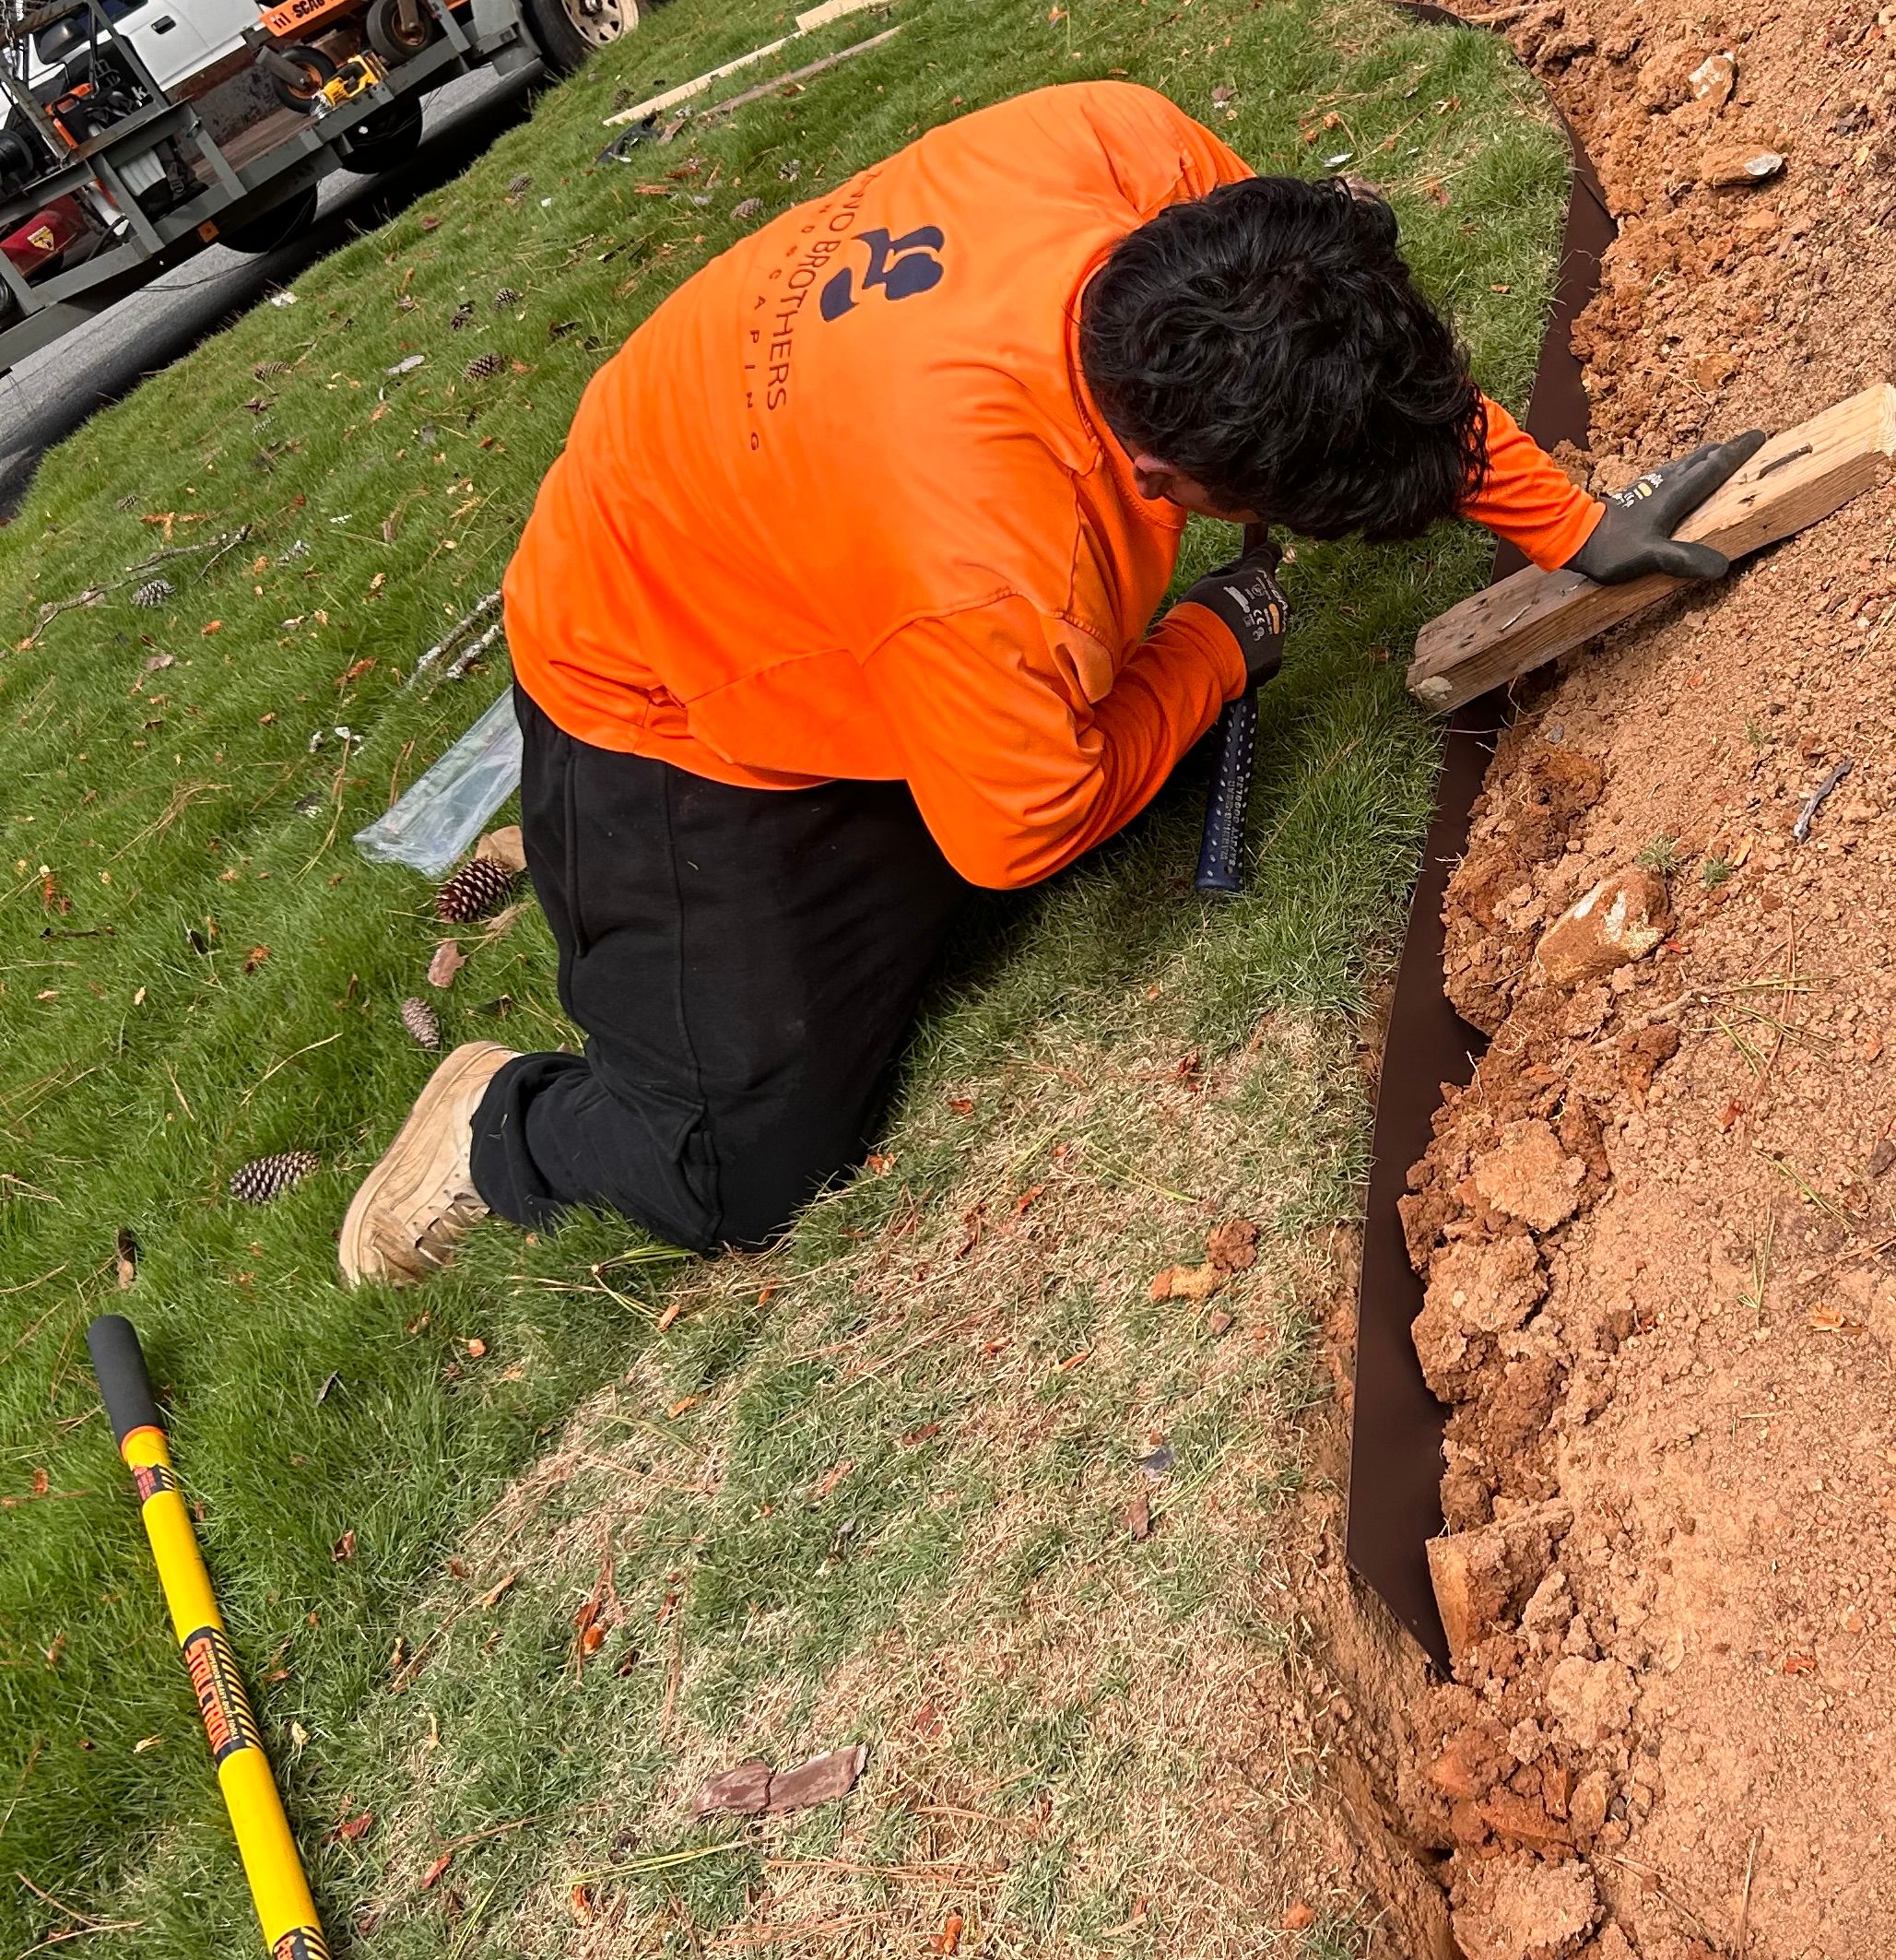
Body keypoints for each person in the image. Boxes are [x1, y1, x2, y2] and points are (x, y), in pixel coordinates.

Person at [337, 78, 1755, 1282]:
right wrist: (1219, 642)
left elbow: (1350, 358)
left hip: (803, 526)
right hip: (659, 675)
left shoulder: (1132, 159)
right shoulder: (990, 559)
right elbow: (1020, 826)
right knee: (744, 1163)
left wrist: (1568, 522)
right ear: (1155, 477)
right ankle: (499, 1122)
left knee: (995, 791)